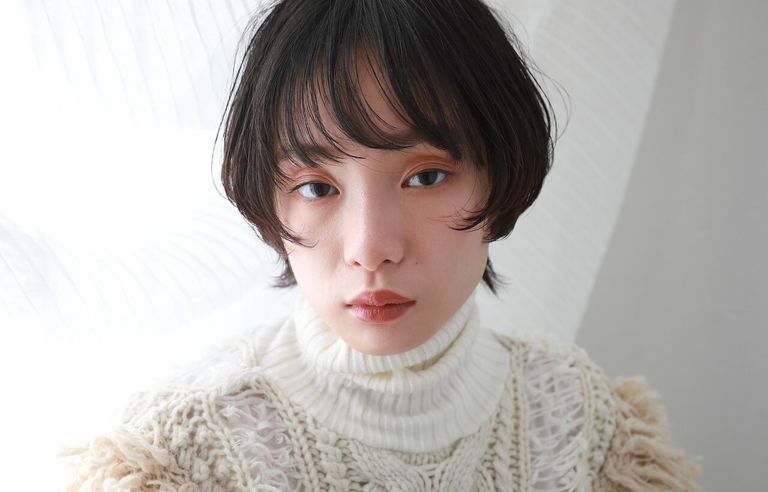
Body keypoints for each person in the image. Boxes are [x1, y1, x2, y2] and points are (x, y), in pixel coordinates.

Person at [63, 0, 702, 489]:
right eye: (316, 187)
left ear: (503, 172)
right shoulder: (183, 454)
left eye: (425, 177)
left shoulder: (583, 421)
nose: (370, 248)